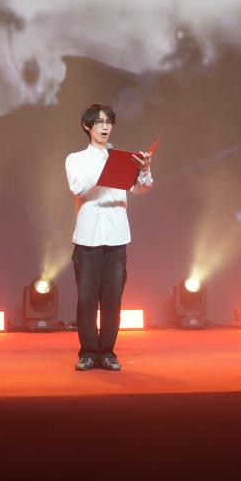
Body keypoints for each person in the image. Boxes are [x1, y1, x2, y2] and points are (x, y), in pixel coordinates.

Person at [65, 103, 153, 371]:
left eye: (109, 123)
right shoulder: (76, 159)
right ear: (87, 126)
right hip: (88, 240)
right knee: (86, 300)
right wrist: (106, 164)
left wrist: (144, 169)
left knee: (113, 301)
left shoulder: (123, 158)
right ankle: (88, 353)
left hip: (116, 238)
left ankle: (107, 352)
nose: (105, 127)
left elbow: (141, 188)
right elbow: (78, 188)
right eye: (99, 123)